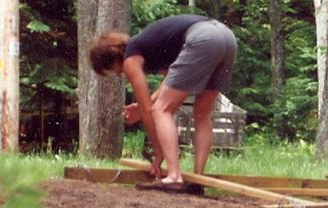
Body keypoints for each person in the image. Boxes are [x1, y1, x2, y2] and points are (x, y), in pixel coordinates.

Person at [89, 14, 237, 193]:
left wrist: (158, 152)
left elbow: (148, 111)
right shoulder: (153, 46)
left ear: (111, 58)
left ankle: (174, 176)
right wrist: (147, 103)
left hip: (203, 38)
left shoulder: (130, 57)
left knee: (162, 110)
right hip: (225, 37)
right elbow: (170, 81)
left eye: (111, 70)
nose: (117, 74)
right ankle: (198, 180)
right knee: (202, 113)